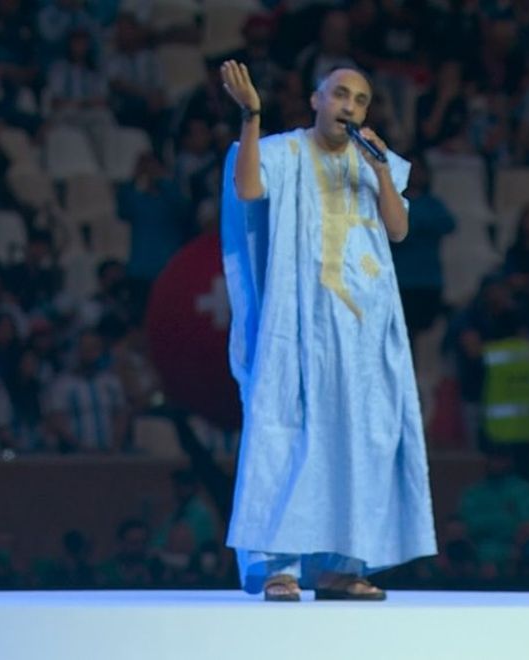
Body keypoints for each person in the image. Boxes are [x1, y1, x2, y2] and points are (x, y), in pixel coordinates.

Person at [218, 61, 437, 601]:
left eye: (361, 100)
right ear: (316, 100)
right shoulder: (283, 152)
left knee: (355, 440)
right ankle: (279, 565)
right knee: (286, 431)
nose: (350, 106)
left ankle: (341, 566)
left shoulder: (371, 163)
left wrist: (383, 170)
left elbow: (399, 228)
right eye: (340, 94)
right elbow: (247, 190)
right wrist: (251, 117)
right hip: (298, 321)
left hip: (361, 329)